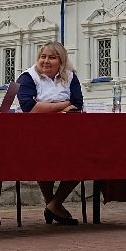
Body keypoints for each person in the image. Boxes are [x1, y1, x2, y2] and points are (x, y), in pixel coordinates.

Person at [17, 42, 85, 225]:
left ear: (61, 61)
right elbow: (30, 108)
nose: (45, 61)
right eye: (43, 57)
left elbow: (78, 104)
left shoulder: (70, 77)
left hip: (67, 134)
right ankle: (54, 206)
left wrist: (47, 106)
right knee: (43, 162)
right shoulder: (27, 77)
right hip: (37, 135)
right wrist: (64, 105)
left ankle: (54, 204)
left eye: (51, 57)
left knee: (83, 161)